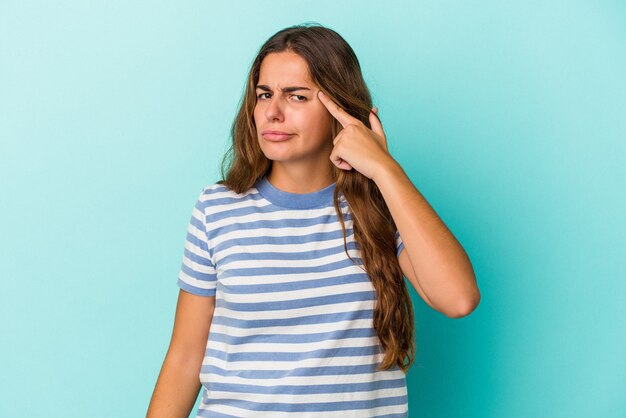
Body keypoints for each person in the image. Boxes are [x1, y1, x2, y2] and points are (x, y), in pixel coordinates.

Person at [147, 23, 480, 418]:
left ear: (339, 108)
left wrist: (385, 170)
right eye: (264, 94)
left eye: (297, 96)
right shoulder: (217, 209)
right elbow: (186, 357)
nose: (272, 111)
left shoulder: (382, 207)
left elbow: (458, 299)